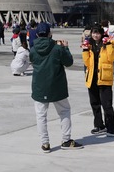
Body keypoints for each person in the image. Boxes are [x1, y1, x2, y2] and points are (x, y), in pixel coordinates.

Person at [29, 23, 83, 152]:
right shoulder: (57, 48)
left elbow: (32, 61)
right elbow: (68, 62)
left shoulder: (33, 49)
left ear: (37, 34)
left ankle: (45, 143)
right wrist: (65, 48)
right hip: (57, 86)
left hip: (39, 87)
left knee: (41, 116)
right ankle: (66, 140)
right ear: (49, 34)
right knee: (64, 111)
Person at [82, 26, 114, 138]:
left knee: (107, 105)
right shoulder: (89, 44)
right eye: (93, 33)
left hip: (104, 78)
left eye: (97, 33)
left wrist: (109, 44)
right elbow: (87, 63)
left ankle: (111, 128)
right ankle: (99, 125)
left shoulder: (109, 42)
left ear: (102, 34)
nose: (95, 35)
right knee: (95, 104)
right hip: (92, 78)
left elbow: (112, 58)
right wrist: (85, 50)